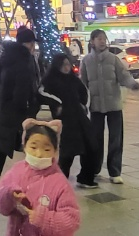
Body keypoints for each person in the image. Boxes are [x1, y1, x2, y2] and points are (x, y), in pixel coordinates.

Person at [80, 28, 139, 183]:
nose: (102, 41)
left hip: (114, 105)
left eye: (103, 38)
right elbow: (82, 84)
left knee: (116, 138)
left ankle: (115, 172)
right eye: (99, 38)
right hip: (96, 106)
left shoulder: (113, 59)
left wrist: (132, 84)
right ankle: (95, 168)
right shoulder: (86, 61)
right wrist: (80, 102)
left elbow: (124, 76)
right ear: (92, 41)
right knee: (96, 139)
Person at [0, 26, 41, 185]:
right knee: (32, 143)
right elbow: (24, 85)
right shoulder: (24, 60)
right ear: (28, 43)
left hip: (6, 105)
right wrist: (26, 106)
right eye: (32, 43)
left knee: (2, 142)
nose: (33, 46)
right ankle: (34, 178)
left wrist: (6, 88)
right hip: (20, 108)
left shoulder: (7, 55)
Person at [42, 50, 98, 187]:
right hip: (65, 120)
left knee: (91, 146)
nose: (67, 68)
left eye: (68, 64)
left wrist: (83, 105)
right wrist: (57, 104)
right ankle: (60, 181)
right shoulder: (50, 80)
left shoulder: (73, 79)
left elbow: (83, 91)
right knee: (69, 151)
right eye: (64, 65)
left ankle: (86, 177)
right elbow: (41, 93)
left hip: (80, 117)